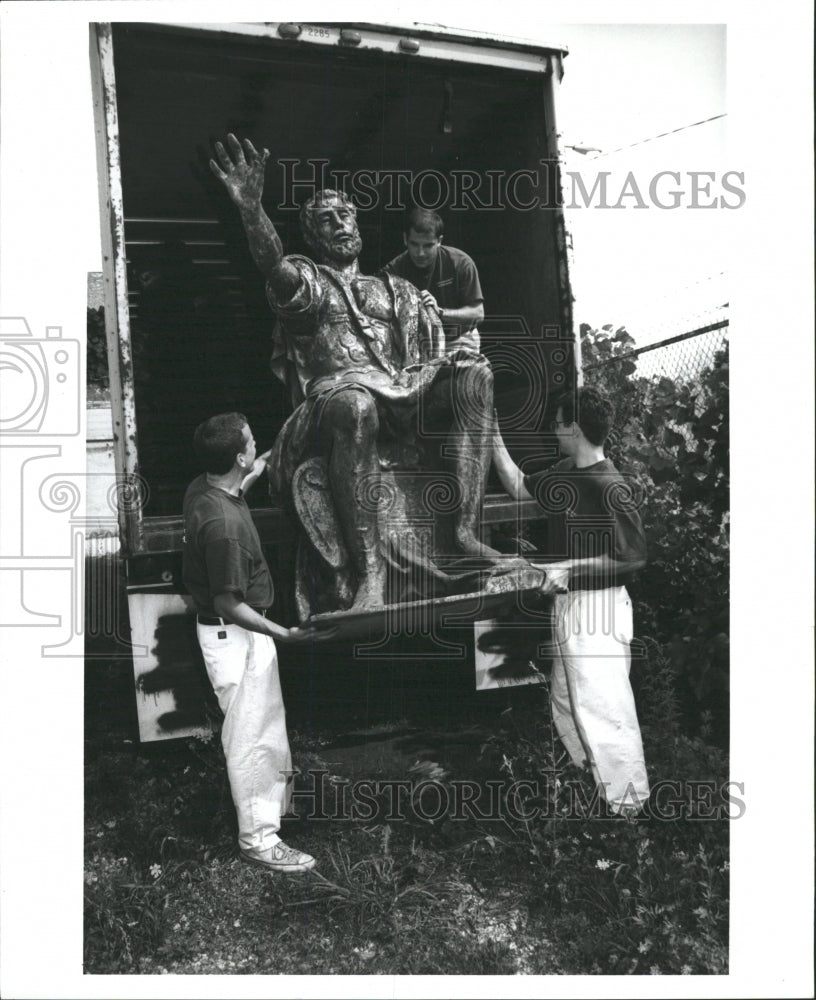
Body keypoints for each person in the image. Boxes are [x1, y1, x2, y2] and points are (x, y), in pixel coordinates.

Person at [209, 135, 500, 614]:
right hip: (335, 403)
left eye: (344, 215)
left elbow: (426, 356)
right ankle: (370, 576)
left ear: (358, 224)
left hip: (404, 393)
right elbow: (271, 264)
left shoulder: (395, 289)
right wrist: (250, 209)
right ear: (313, 235)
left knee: (475, 377)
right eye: (326, 219)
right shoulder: (310, 282)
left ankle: (465, 534)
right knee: (356, 405)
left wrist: (448, 358)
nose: (339, 223)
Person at [182, 412, 335, 873]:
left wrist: (272, 455)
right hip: (235, 635)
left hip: (240, 635)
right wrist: (283, 633)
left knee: (267, 728)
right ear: (238, 455)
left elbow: (241, 483)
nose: (255, 445)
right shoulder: (225, 530)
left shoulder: (204, 489)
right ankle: (260, 841)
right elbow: (230, 603)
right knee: (250, 740)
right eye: (252, 443)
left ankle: (276, 811)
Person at [491, 385, 650, 816]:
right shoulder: (565, 472)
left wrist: (570, 568)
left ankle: (628, 810)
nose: (553, 428)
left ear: (575, 428)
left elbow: (633, 557)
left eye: (559, 422)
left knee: (604, 708)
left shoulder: (609, 485)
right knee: (566, 700)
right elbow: (520, 487)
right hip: (570, 605)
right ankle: (592, 783)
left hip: (599, 608)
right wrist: (490, 431)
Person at [381, 207, 485, 353]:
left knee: (474, 374)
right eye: (414, 244)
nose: (420, 253)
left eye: (428, 245)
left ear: (439, 241)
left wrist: (440, 312)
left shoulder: (461, 263)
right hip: (414, 346)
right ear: (405, 239)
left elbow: (478, 314)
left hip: (458, 341)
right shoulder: (392, 271)